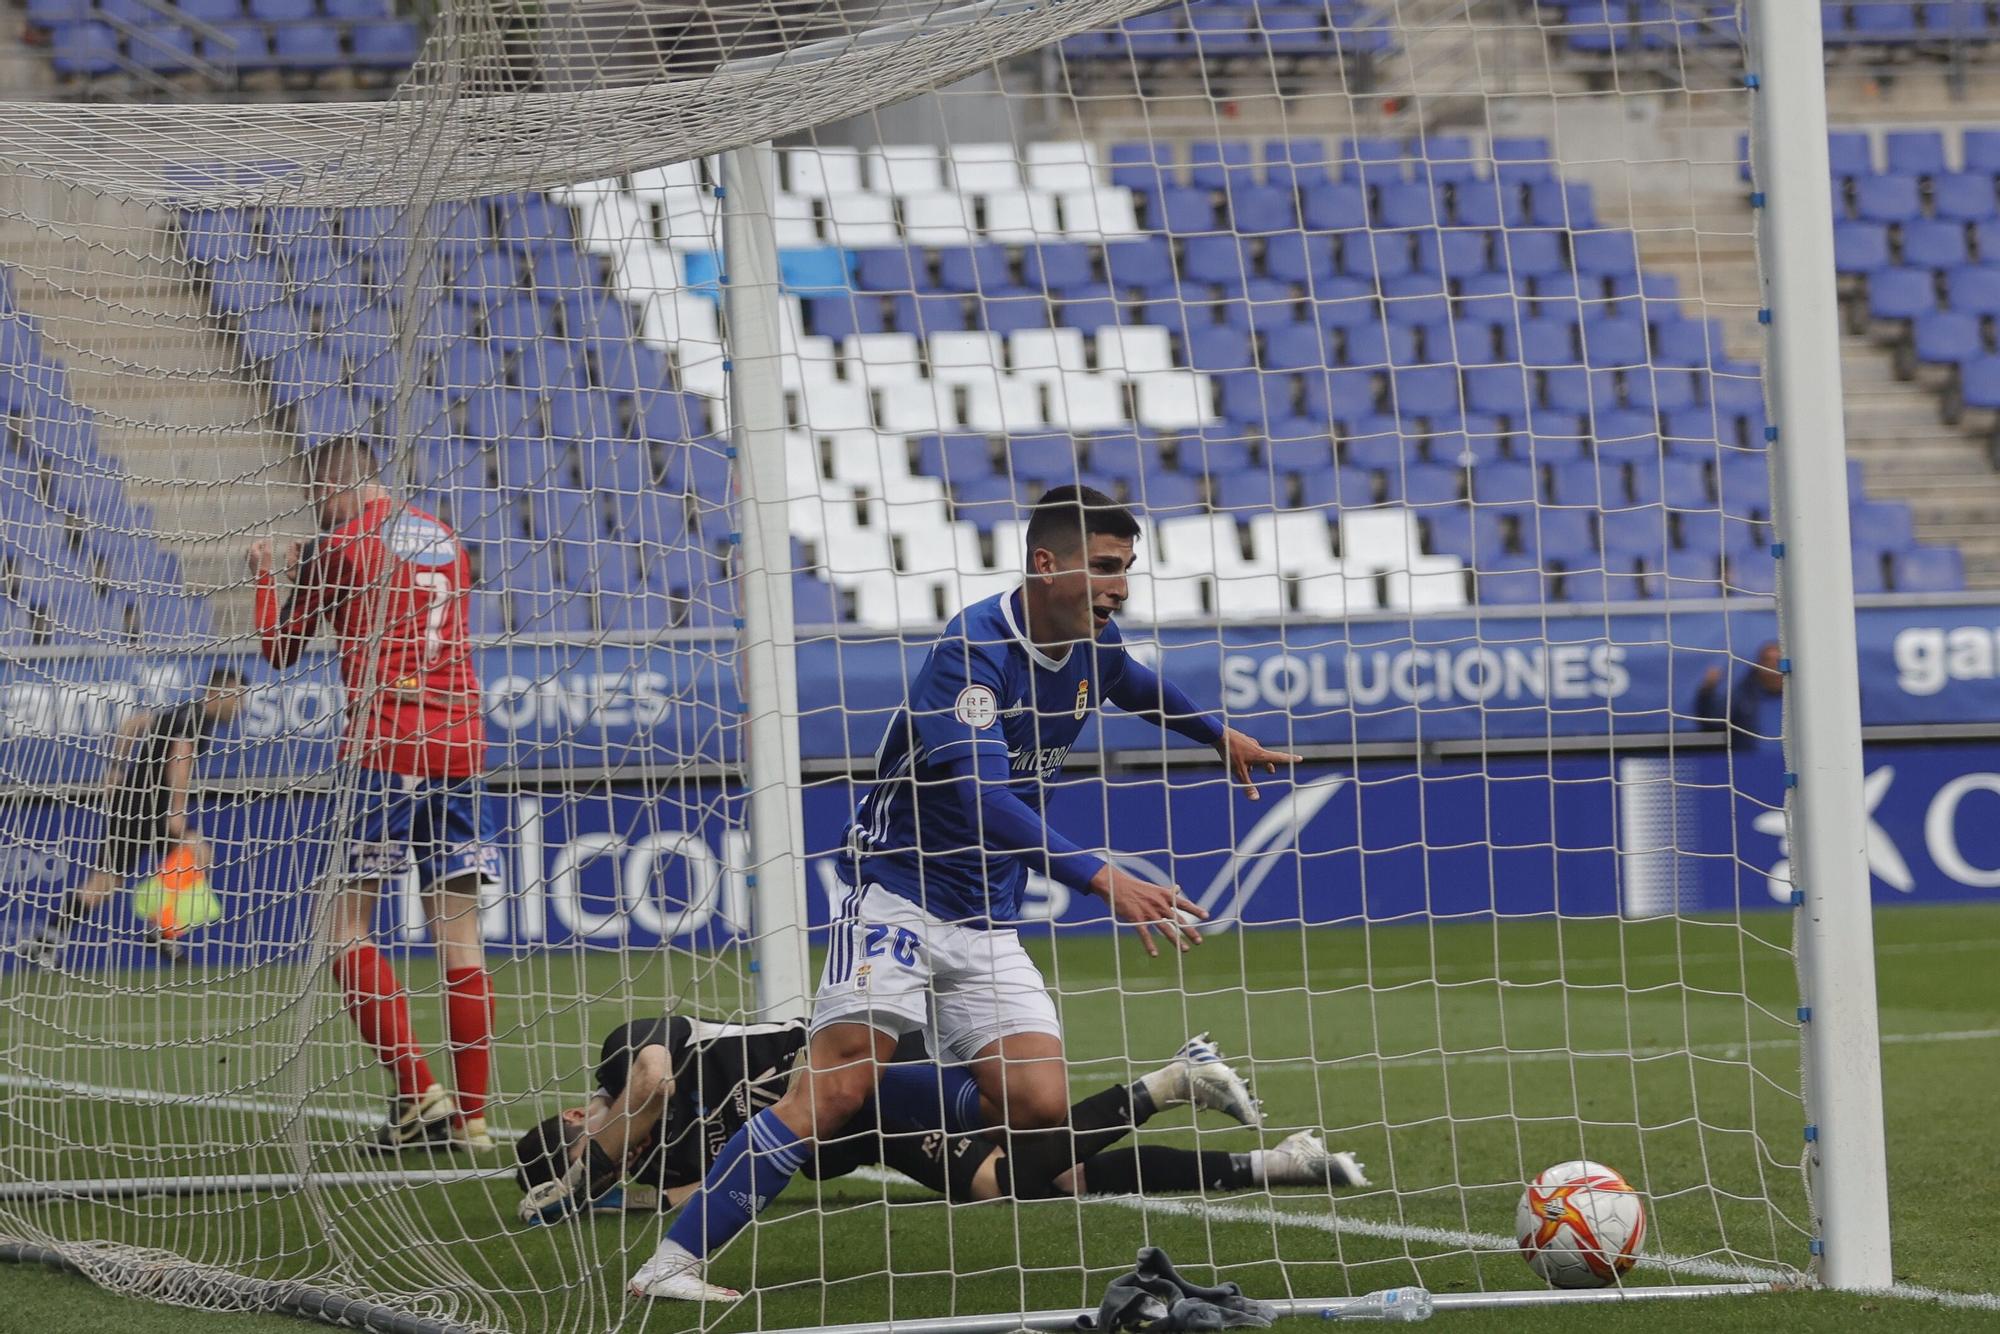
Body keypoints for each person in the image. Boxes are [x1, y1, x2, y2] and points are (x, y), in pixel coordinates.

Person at [628, 484, 1303, 1301]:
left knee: (1038, 1104)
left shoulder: (1091, 636)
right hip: (899, 898)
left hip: (985, 916)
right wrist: (1100, 877)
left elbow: (1130, 680)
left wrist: (1216, 733)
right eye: (1105, 567)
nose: (1119, 586)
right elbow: (986, 798)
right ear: (1045, 564)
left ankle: (852, 1081)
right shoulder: (972, 654)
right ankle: (669, 1266)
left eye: (1127, 569)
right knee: (831, 1093)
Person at [247, 439, 500, 1153]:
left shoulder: (342, 543)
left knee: (344, 928)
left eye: (316, 492)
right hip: (460, 742)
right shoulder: (443, 535)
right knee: (458, 929)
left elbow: (280, 649)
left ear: (333, 483)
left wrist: (269, 575)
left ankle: (419, 1093)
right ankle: (474, 1122)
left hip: (384, 746)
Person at [514, 1016, 1365, 1224]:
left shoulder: (630, 1057)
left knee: (1029, 1130)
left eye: (580, 1131)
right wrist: (603, 1189)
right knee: (1018, 1180)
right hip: (865, 1130)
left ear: (579, 1114)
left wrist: (587, 1163)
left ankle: (1173, 1084)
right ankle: (1271, 1163)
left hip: (875, 1064)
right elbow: (698, 1197)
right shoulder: (661, 1165)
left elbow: (654, 1079)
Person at [16, 666, 246, 968]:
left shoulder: (181, 711)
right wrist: (176, 811)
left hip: (132, 801)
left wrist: (115, 769)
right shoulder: (198, 719)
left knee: (112, 879)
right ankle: (158, 929)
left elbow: (132, 723)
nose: (242, 706)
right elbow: (180, 756)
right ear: (220, 691)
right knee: (192, 854)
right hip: (151, 807)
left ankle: (45, 941)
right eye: (239, 697)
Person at [1693, 641, 1784, 749]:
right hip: (1750, 763)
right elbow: (1712, 722)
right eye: (1767, 660)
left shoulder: (1802, 701)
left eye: (1778, 661)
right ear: (1758, 665)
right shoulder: (1742, 698)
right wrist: (1707, 691)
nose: (1772, 666)